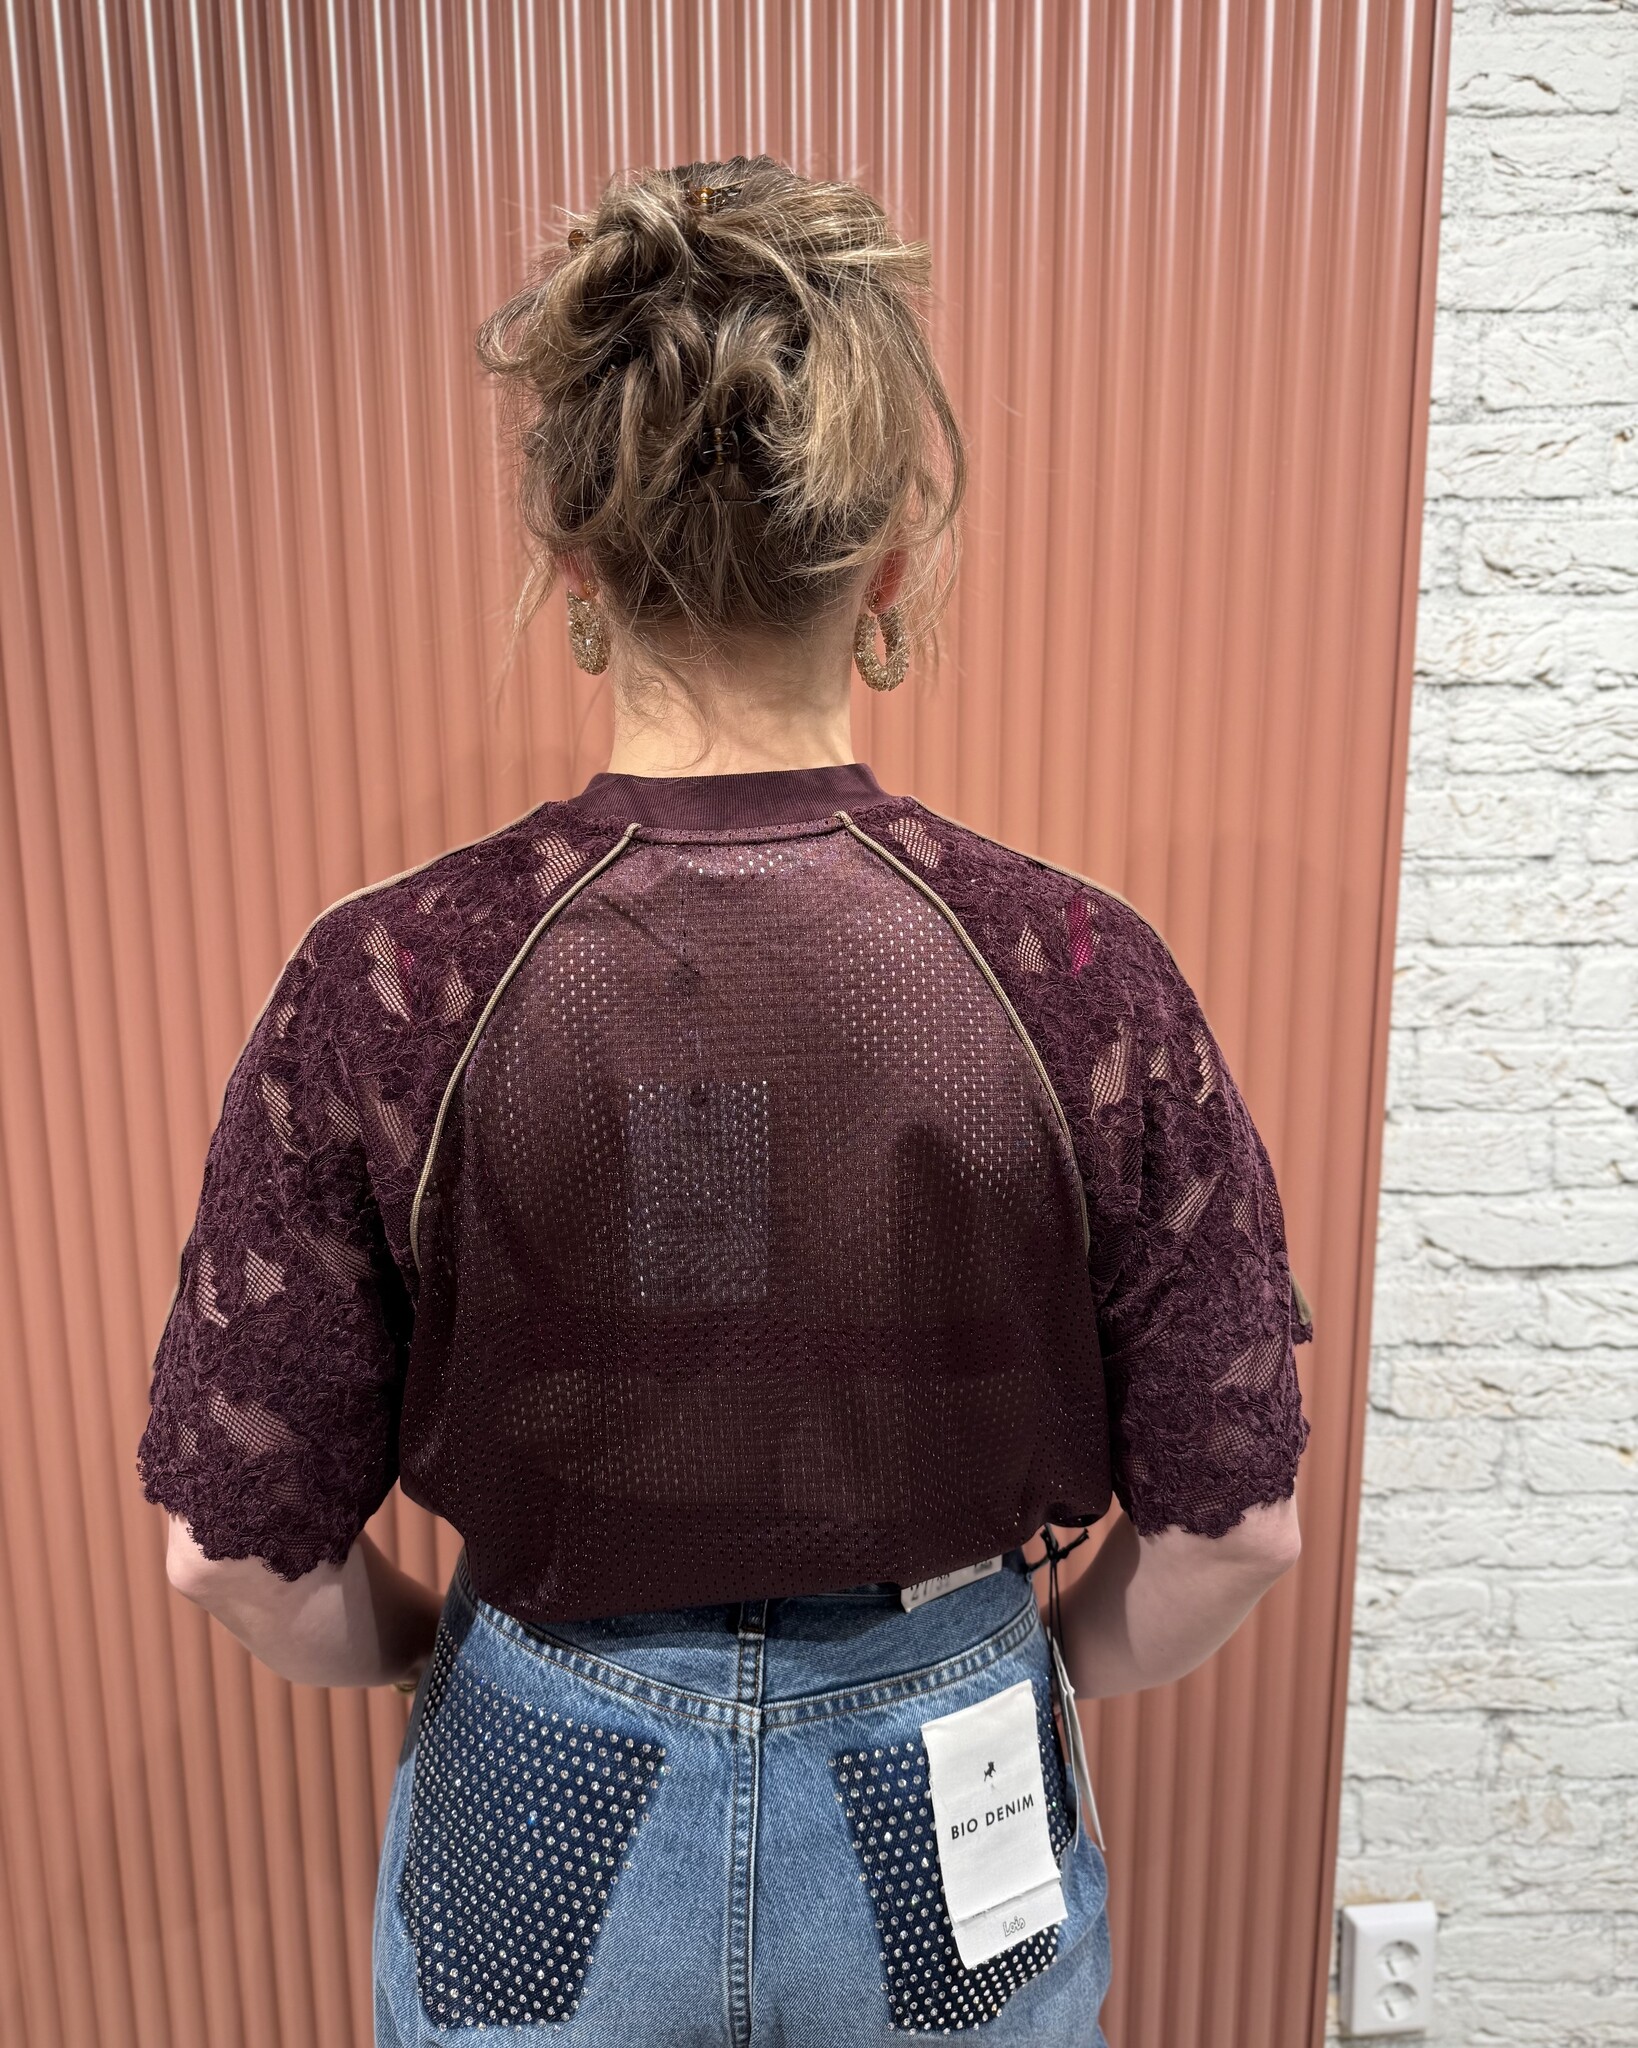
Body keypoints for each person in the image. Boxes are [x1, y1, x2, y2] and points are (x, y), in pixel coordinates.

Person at [138, 155, 1312, 2048]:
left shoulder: (392, 974)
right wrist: (1012, 1678)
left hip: (541, 1758)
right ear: (888, 566)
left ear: (579, 572)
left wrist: (460, 1664)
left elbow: (233, 1552)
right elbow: (1234, 1529)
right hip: (945, 1761)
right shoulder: (1076, 968)